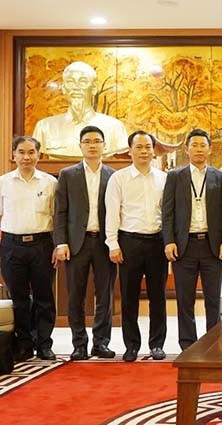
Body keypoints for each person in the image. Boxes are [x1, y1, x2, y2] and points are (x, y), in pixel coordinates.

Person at [162, 128, 222, 350]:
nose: (199, 149)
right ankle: (187, 345)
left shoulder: (219, 177)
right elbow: (168, 211)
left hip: (212, 245)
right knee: (185, 300)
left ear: (209, 149)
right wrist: (169, 240)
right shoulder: (175, 176)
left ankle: (213, 343)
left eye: (203, 145)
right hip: (185, 245)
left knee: (213, 300)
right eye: (195, 145)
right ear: (187, 149)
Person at [54, 125, 117, 361]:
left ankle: (101, 343)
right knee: (75, 296)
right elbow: (61, 212)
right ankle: (79, 344)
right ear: (80, 145)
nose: (92, 145)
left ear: (104, 145)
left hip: (103, 242)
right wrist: (61, 242)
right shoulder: (68, 174)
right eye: (87, 141)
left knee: (105, 295)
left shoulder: (113, 176)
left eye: (97, 141)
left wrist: (115, 242)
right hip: (76, 243)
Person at [105, 130, 167, 362]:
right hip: (128, 242)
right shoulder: (118, 179)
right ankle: (131, 345)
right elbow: (112, 213)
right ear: (129, 150)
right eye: (139, 147)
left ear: (154, 150)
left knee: (157, 296)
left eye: (148, 146)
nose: (144, 151)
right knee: (129, 297)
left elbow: (168, 214)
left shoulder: (163, 178)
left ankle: (157, 344)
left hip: (157, 242)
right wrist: (113, 244)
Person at [0, 136, 58, 361]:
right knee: (19, 298)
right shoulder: (3, 182)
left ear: (39, 155)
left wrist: (58, 244)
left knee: (44, 297)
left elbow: (58, 217)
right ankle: (24, 343)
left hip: (42, 244)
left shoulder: (50, 183)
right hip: (12, 246)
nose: (26, 157)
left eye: (31, 152)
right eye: (21, 152)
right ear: (13, 155)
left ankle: (44, 343)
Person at [32, 61, 128, 159]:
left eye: (82, 81)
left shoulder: (115, 127)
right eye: (70, 82)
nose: (76, 87)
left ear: (94, 88)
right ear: (64, 88)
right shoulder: (44, 127)